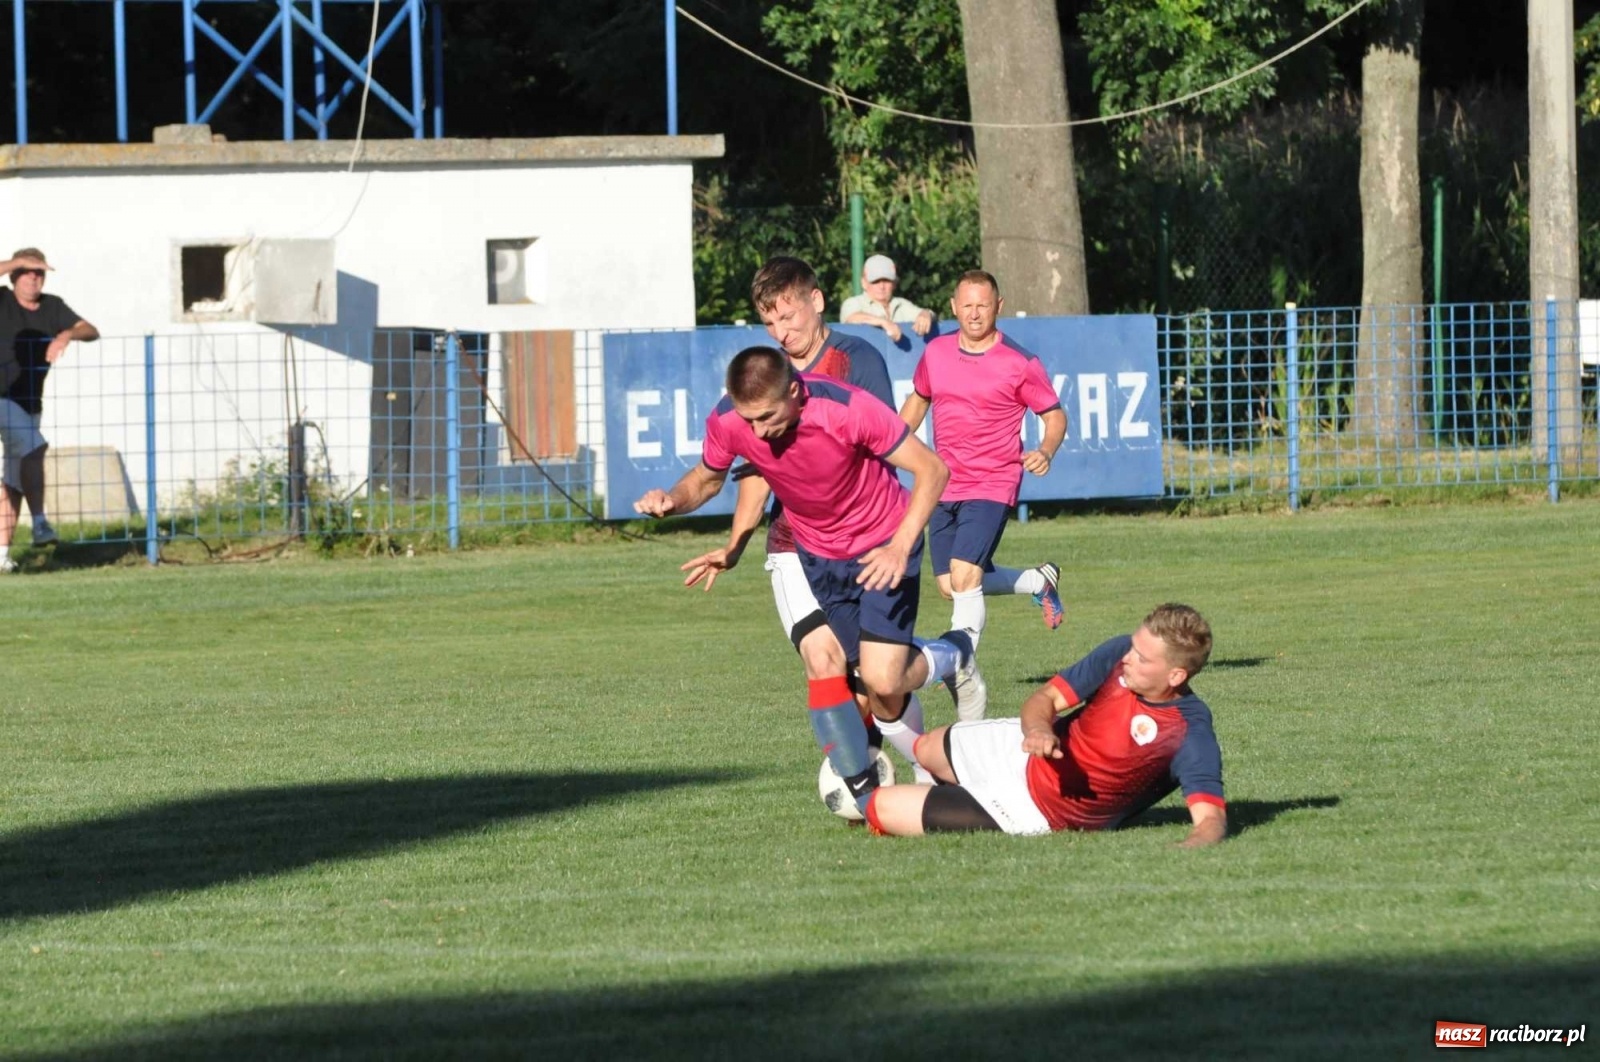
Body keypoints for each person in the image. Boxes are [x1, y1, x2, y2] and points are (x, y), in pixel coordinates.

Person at [634, 347, 984, 814]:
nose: (757, 432)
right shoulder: (730, 421)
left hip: (882, 547)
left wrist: (900, 546)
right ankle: (914, 759)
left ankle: (955, 653)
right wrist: (671, 500)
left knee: (881, 675)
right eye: (748, 420)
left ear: (795, 391)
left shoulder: (847, 408)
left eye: (766, 417)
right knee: (874, 684)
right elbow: (707, 478)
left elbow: (933, 469)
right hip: (820, 560)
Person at [709, 256, 949, 778]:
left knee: (875, 681)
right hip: (795, 539)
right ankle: (862, 782)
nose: (781, 332)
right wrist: (736, 543)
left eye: (788, 317)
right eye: (769, 322)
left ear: (816, 302)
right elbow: (755, 469)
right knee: (828, 666)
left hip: (864, 536)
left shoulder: (854, 362)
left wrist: (894, 539)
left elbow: (885, 450)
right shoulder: (765, 378)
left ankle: (925, 730)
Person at [863, 603, 1227, 848]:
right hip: (1024, 752)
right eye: (1133, 647)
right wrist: (1038, 730)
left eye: (1142, 658)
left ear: (1176, 674)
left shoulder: (1188, 732)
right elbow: (1046, 700)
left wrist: (1191, 847)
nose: (1128, 658)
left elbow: (1210, 818)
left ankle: (957, 799)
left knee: (879, 807)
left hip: (1038, 809)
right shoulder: (1119, 654)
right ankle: (948, 791)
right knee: (926, 749)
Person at [899, 270, 1069, 706]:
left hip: (993, 481)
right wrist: (889, 444)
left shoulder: (1019, 362)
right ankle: (1038, 581)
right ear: (954, 307)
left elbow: (1054, 415)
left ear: (999, 305)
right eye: (967, 305)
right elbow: (918, 401)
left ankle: (959, 663)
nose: (975, 313)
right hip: (943, 481)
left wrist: (1046, 451)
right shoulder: (935, 353)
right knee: (948, 584)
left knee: (965, 575)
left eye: (983, 305)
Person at [0, 248, 98, 570]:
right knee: (35, 446)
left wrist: (66, 335)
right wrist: (16, 262)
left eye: (39, 273)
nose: (34, 278)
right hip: (2, 397)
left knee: (14, 482)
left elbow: (91, 330)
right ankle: (41, 523)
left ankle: (1, 558)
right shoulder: (3, 299)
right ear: (14, 275)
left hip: (29, 403)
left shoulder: (52, 306)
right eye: (28, 272)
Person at [838, 254, 935, 344]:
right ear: (864, 283)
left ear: (894, 283)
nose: (881, 286)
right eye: (876, 281)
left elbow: (925, 314)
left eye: (886, 280)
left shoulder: (901, 304)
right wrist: (884, 323)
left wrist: (925, 314)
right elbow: (851, 318)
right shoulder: (853, 303)